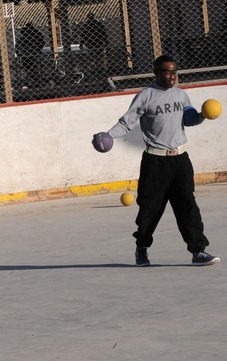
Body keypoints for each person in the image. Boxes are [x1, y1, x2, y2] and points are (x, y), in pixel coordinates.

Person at [92, 55, 219, 267]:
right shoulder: (145, 97)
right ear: (156, 73)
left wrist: (202, 116)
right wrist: (107, 135)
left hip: (180, 160)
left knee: (187, 205)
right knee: (150, 208)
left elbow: (188, 119)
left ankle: (198, 251)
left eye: (175, 71)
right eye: (168, 72)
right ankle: (141, 248)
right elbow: (126, 123)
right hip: (155, 161)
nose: (172, 76)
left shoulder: (181, 95)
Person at [80, 13, 109, 80]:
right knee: (98, 58)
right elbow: (104, 34)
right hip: (97, 43)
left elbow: (83, 35)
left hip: (91, 44)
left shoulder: (87, 25)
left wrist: (81, 44)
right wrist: (106, 43)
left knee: (93, 58)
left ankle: (95, 71)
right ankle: (99, 71)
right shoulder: (98, 24)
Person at [16, 22, 45, 87]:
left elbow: (18, 50)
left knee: (32, 71)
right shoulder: (33, 37)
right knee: (34, 71)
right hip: (31, 57)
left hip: (29, 57)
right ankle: (33, 82)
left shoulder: (34, 37)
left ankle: (30, 82)